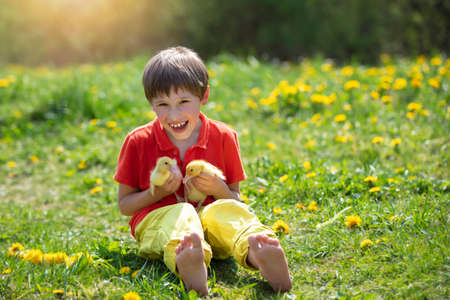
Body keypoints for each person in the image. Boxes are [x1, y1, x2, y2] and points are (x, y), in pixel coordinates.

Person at [114, 46, 292, 296]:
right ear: (151, 104)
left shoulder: (224, 137)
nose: (174, 114)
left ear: (204, 96)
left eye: (183, 101)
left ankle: (256, 249)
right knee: (183, 213)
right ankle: (187, 257)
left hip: (211, 225)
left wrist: (219, 189)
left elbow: (235, 200)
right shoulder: (138, 141)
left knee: (223, 211)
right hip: (158, 222)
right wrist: (157, 193)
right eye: (163, 104)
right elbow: (125, 206)